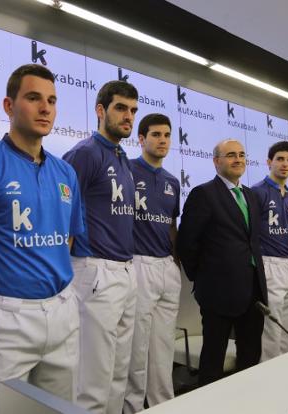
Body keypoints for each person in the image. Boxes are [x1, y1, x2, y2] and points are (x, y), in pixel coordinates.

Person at [0, 64, 84, 414]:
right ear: (8, 106)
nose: (45, 108)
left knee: (62, 409)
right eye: (33, 98)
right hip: (6, 316)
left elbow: (69, 240)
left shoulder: (65, 172)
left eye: (52, 100)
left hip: (62, 311)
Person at [63, 80, 138, 414]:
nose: (128, 116)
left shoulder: (122, 157)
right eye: (121, 108)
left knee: (118, 372)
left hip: (125, 270)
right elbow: (62, 214)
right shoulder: (84, 154)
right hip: (94, 270)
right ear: (100, 110)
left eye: (133, 110)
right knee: (93, 380)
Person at [177, 139, 267, 386]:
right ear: (216, 161)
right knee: (213, 359)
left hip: (253, 290)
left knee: (251, 354)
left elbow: (252, 241)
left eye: (241, 155)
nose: (238, 159)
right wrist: (203, 278)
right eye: (230, 155)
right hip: (218, 292)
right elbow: (187, 243)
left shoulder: (250, 195)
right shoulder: (203, 194)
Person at [123, 114, 180, 413]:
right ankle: (132, 408)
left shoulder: (172, 181)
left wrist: (176, 260)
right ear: (141, 138)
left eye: (167, 135)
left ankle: (163, 406)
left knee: (162, 349)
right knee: (136, 349)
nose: (163, 140)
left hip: (166, 267)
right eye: (156, 134)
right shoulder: (127, 170)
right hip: (138, 264)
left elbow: (171, 224)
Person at [251, 141, 288, 361]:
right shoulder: (257, 192)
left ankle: (287, 374)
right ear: (269, 162)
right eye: (280, 159)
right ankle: (268, 379)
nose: (285, 164)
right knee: (271, 330)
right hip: (268, 264)